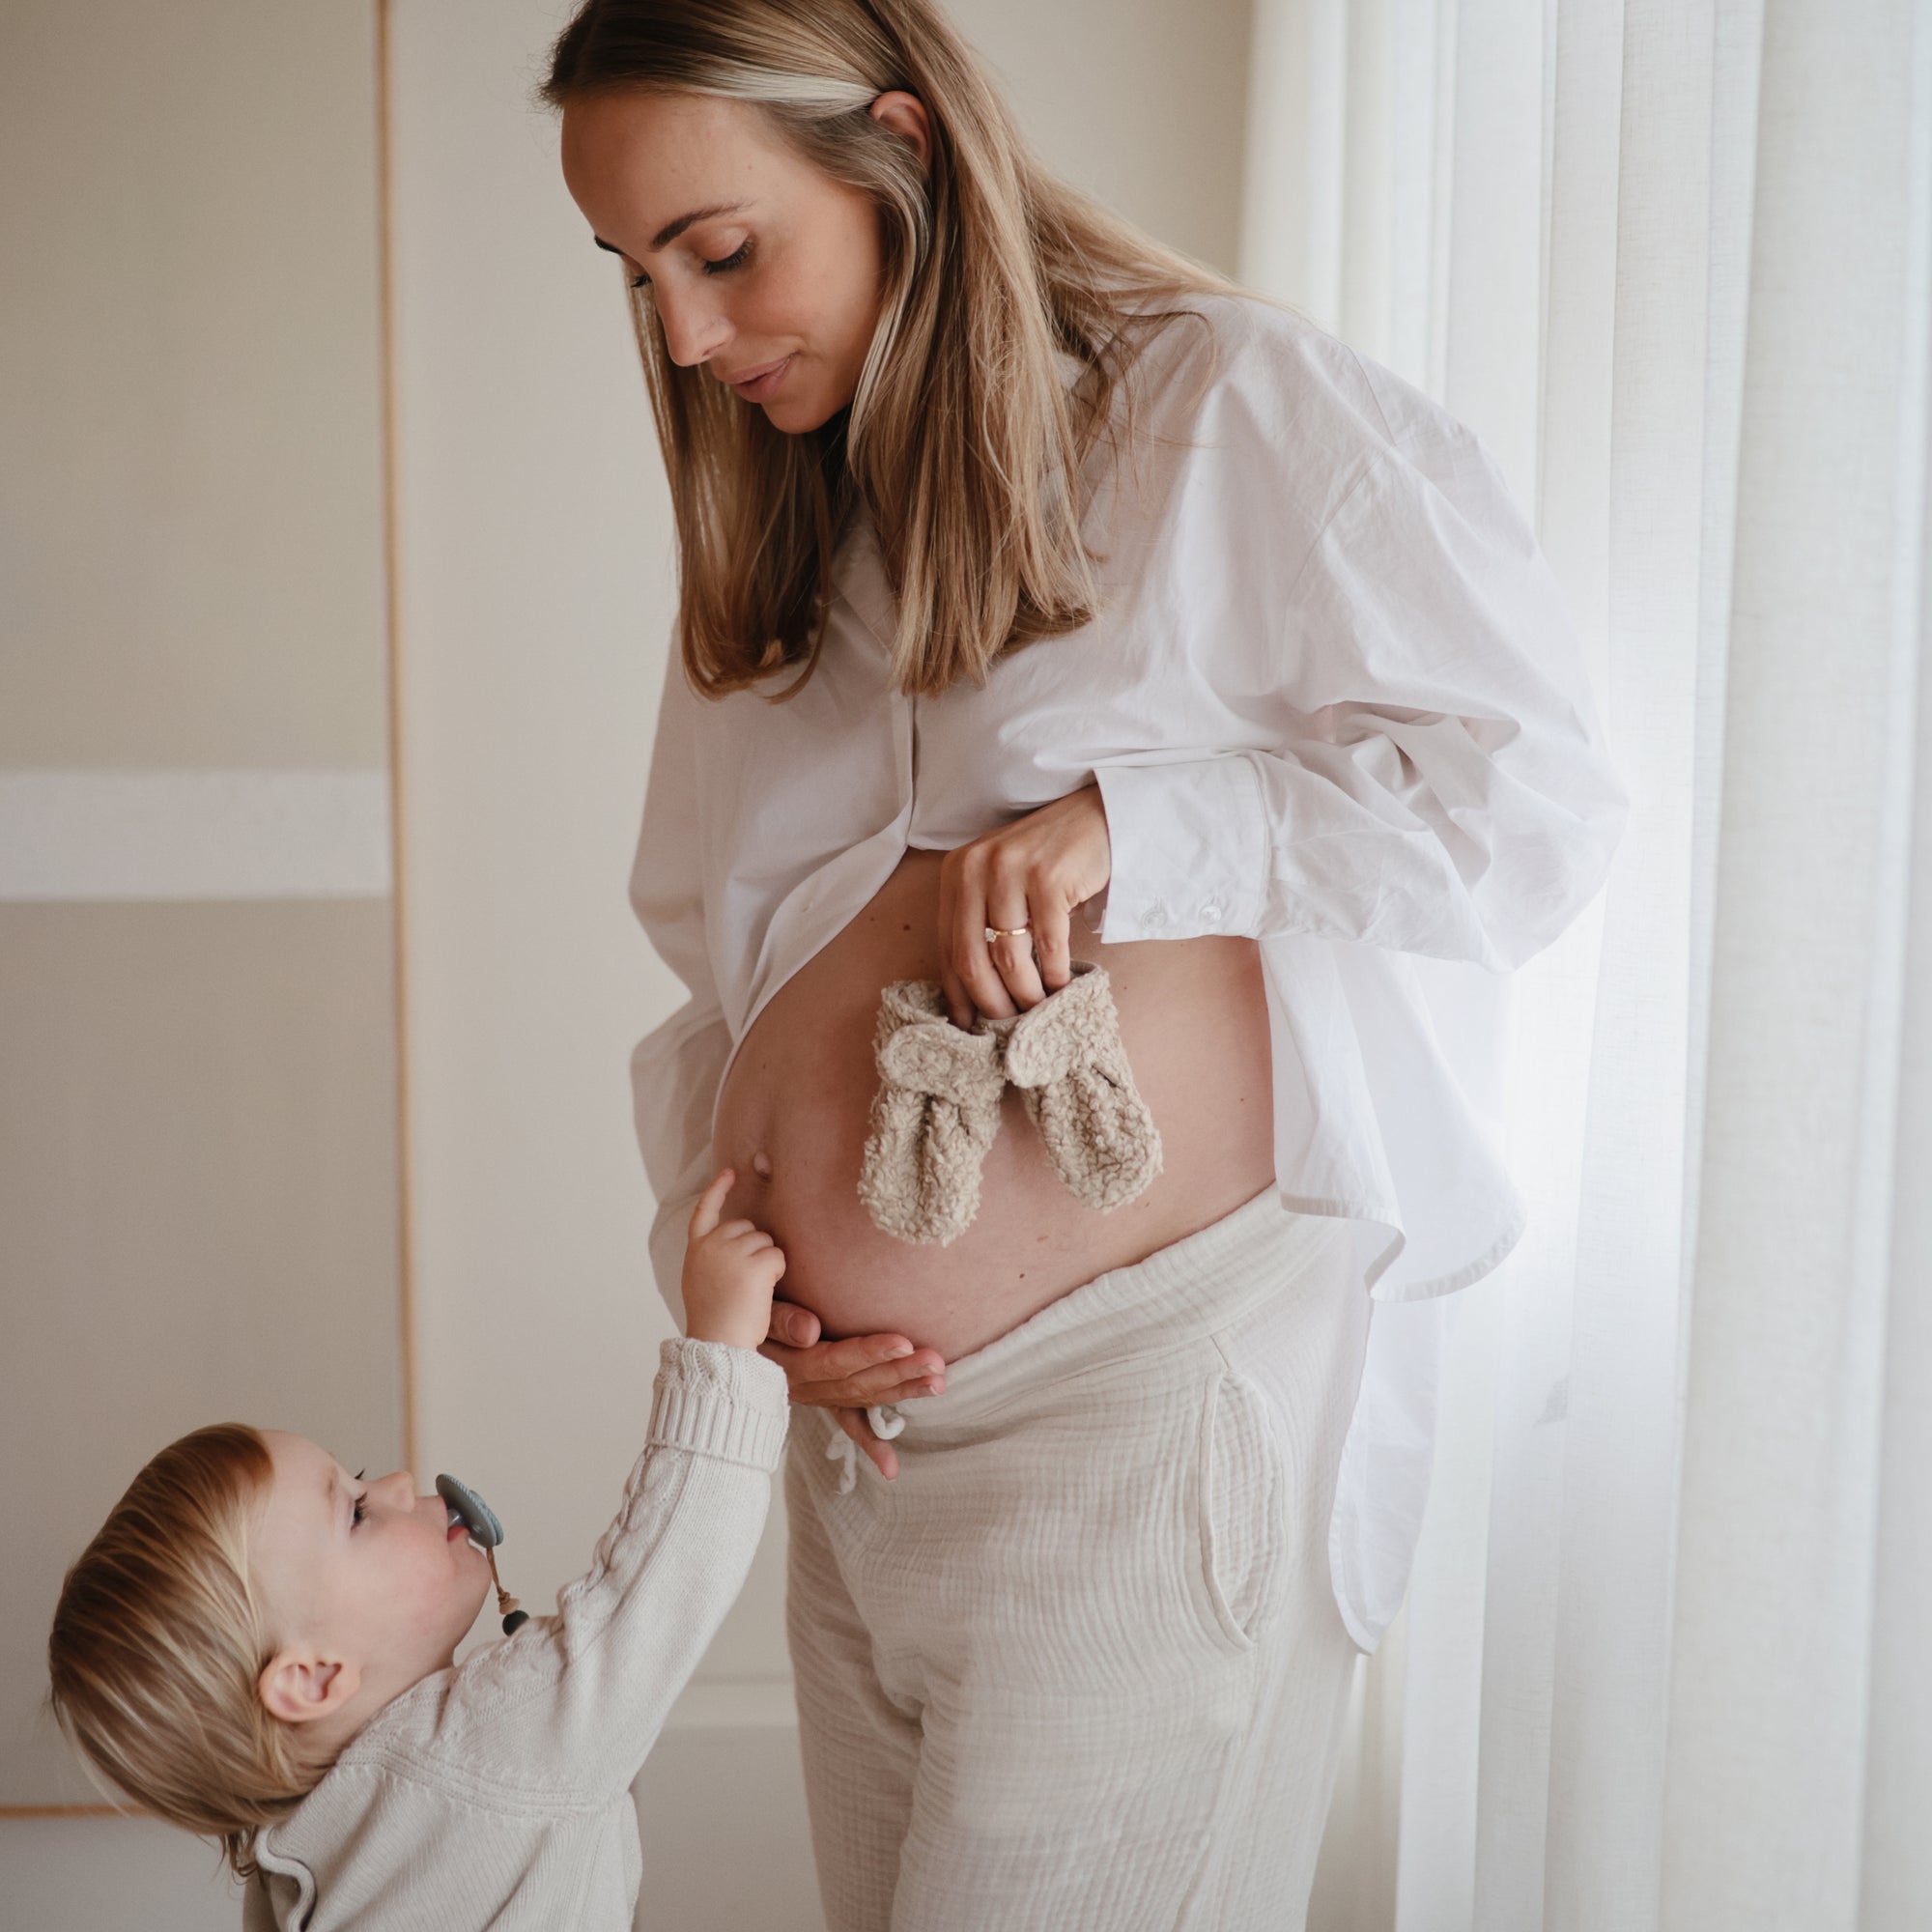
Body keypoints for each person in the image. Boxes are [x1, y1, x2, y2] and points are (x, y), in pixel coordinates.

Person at [545, 1, 1631, 1924]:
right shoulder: (779, 544)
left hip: (1137, 1447)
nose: (689, 336)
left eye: (720, 251)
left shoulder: (1222, 413)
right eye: (640, 280)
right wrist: (739, 1295)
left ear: (895, 148)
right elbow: (707, 995)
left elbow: (1529, 807)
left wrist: (1149, 827)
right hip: (862, 1465)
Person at [44, 1172, 790, 1932]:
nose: (401, 1482)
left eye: (362, 1477)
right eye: (359, 1511)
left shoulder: (294, 1864)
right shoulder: (492, 1750)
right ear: (314, 1677)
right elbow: (655, 1594)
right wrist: (721, 1352)